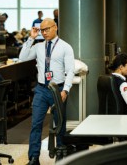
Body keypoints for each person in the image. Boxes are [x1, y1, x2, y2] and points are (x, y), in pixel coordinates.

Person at [19, 18, 75, 165]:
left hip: (58, 89)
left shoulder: (65, 47)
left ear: (55, 27)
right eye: (42, 30)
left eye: (47, 29)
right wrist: (31, 38)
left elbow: (70, 71)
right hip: (41, 89)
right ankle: (33, 158)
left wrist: (66, 90)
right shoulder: (38, 47)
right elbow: (22, 58)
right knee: (36, 123)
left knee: (60, 124)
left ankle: (61, 154)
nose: (44, 33)